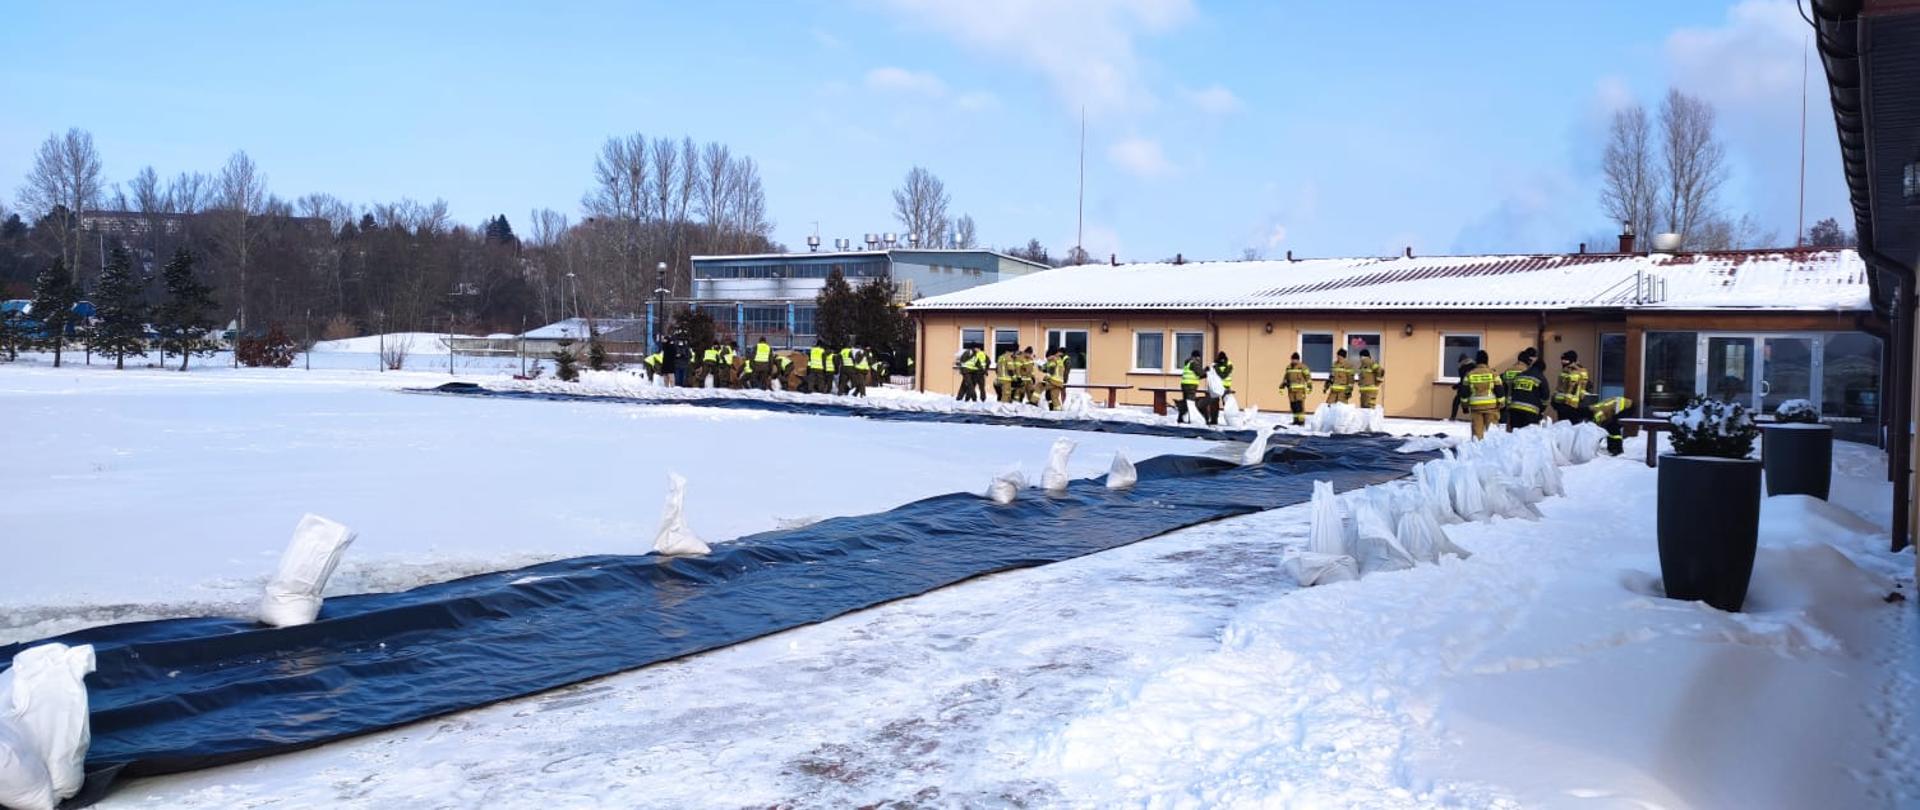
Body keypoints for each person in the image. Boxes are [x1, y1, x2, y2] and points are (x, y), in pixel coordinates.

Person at [1463, 350, 1504, 440]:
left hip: (1476, 407)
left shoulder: (1469, 374)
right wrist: (1501, 403)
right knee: (1492, 434)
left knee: (1477, 434)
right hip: (1491, 407)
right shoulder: (1493, 373)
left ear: (1476, 361)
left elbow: (1464, 393)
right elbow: (1499, 389)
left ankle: (1477, 451)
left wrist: (1465, 406)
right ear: (1487, 360)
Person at [1506, 353, 1550, 430]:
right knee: (1528, 436)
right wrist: (1541, 410)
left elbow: (1511, 391)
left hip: (1515, 409)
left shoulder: (1520, 375)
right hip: (1530, 413)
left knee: (1515, 435)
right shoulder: (1541, 378)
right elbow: (1545, 397)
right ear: (1542, 369)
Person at [1499, 348, 1535, 424]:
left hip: (1509, 402)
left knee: (1510, 427)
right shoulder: (1527, 371)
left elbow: (1503, 385)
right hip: (1523, 403)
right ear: (1527, 361)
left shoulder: (1508, 370)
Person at [1553, 350, 1590, 423]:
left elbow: (1583, 387)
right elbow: (1560, 387)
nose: (1562, 362)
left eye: (1565, 360)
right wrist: (1554, 399)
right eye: (1562, 360)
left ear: (1572, 361)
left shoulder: (1579, 372)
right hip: (1561, 404)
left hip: (1571, 405)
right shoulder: (1564, 371)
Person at [1178, 349, 1209, 424]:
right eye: (1199, 357)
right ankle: (1191, 419)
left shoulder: (1188, 363)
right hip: (1190, 386)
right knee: (1190, 403)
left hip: (1184, 385)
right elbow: (1200, 373)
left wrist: (1204, 372)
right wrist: (1207, 371)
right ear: (1197, 356)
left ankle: (1181, 418)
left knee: (1186, 402)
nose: (1199, 359)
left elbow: (1197, 375)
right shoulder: (1194, 363)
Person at [1282, 351, 1312, 426]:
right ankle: (1295, 420)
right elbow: (1286, 377)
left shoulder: (1303, 367)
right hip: (1291, 390)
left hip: (1300, 390)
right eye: (1292, 359)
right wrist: (1283, 384)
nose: (1293, 361)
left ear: (1298, 360)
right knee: (1293, 406)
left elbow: (1308, 377)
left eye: (1294, 359)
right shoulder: (1289, 367)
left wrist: (1309, 386)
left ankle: (1301, 421)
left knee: (1299, 406)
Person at [1449, 353, 1474, 421]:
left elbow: (1464, 381)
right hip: (1473, 388)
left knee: (1456, 401)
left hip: (1465, 388)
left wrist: (1456, 386)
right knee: (1472, 403)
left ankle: (1453, 417)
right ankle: (1473, 417)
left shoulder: (1463, 368)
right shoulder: (1474, 366)